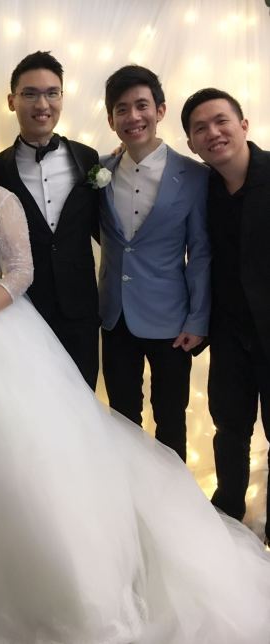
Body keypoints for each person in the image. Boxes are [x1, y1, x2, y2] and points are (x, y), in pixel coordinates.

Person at [0, 93, 270, 644]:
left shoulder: (81, 167)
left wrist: (197, 316)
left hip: (38, 323)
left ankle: (173, 527)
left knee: (124, 435)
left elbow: (25, 267)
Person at [99, 65, 211, 461]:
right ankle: (129, 491)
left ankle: (172, 495)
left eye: (141, 105)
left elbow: (200, 252)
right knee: (121, 418)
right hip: (114, 316)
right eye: (122, 109)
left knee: (170, 420)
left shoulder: (194, 176)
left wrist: (198, 319)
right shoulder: (100, 171)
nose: (133, 117)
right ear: (111, 120)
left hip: (172, 321)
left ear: (160, 110)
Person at [181, 88, 270, 544]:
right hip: (230, 332)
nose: (213, 133)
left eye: (221, 121)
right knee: (229, 428)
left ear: (244, 125)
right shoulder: (202, 186)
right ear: (192, 144)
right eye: (200, 129)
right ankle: (229, 518)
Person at [0, 51, 100, 388]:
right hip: (23, 311)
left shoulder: (88, 158)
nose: (42, 104)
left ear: (62, 98)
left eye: (52, 93)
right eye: (30, 94)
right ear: (12, 101)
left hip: (81, 311)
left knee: (83, 401)